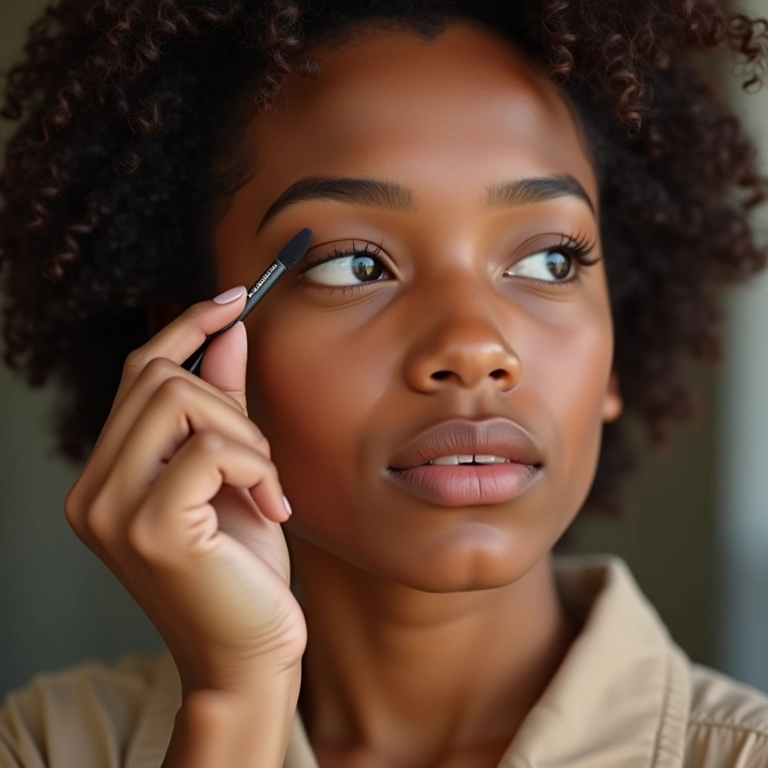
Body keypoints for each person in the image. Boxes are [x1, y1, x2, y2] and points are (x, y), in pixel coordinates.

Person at [2, 0, 768, 766]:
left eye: (550, 262)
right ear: (195, 352)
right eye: (355, 265)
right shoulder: (47, 745)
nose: (475, 347)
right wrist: (234, 707)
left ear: (616, 353)